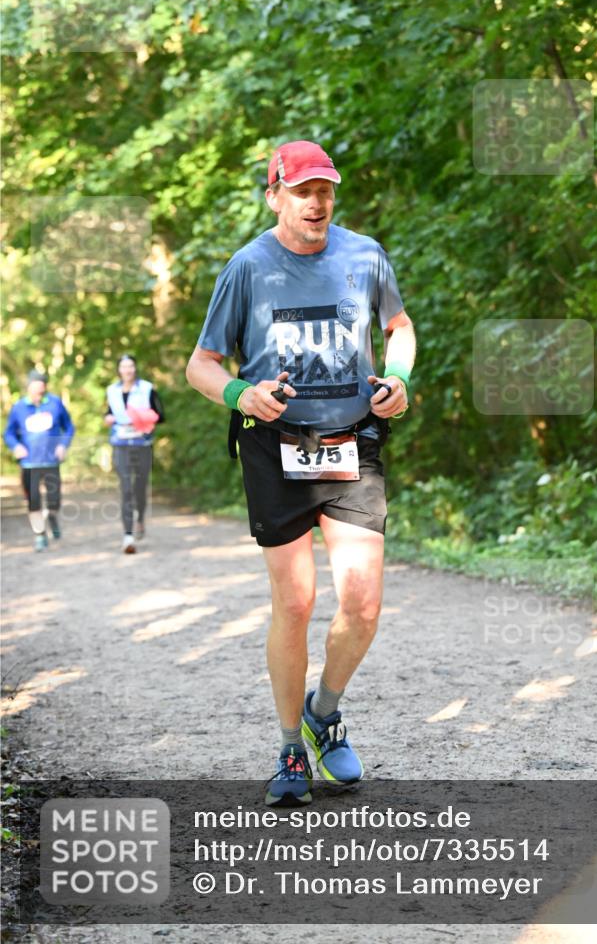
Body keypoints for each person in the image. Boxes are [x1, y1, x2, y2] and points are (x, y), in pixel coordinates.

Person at [186, 140, 416, 805]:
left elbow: (398, 327)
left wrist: (397, 378)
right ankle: (290, 748)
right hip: (274, 446)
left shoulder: (363, 255)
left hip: (351, 441)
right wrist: (238, 394)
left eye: (325, 191)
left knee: (363, 604)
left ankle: (323, 712)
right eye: (302, 190)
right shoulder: (248, 268)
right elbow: (201, 364)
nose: (316, 202)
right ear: (274, 196)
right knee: (294, 601)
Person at [3, 369, 75, 552]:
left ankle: (52, 517)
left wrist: (62, 445)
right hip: (29, 463)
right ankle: (40, 535)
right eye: (36, 385)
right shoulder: (19, 407)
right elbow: (9, 433)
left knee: (54, 500)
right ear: (29, 386)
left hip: (51, 461)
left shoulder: (55, 403)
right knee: (33, 501)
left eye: (43, 385)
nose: (39, 389)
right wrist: (16, 446)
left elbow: (69, 427)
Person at [104, 354, 165, 554]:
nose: (128, 370)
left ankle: (140, 519)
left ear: (135, 368)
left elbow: (160, 415)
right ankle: (128, 536)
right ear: (119, 370)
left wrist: (143, 417)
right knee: (126, 488)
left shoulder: (147, 388)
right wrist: (108, 418)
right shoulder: (112, 391)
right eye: (124, 366)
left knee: (139, 488)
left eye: (131, 366)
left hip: (142, 444)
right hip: (120, 444)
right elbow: (108, 412)